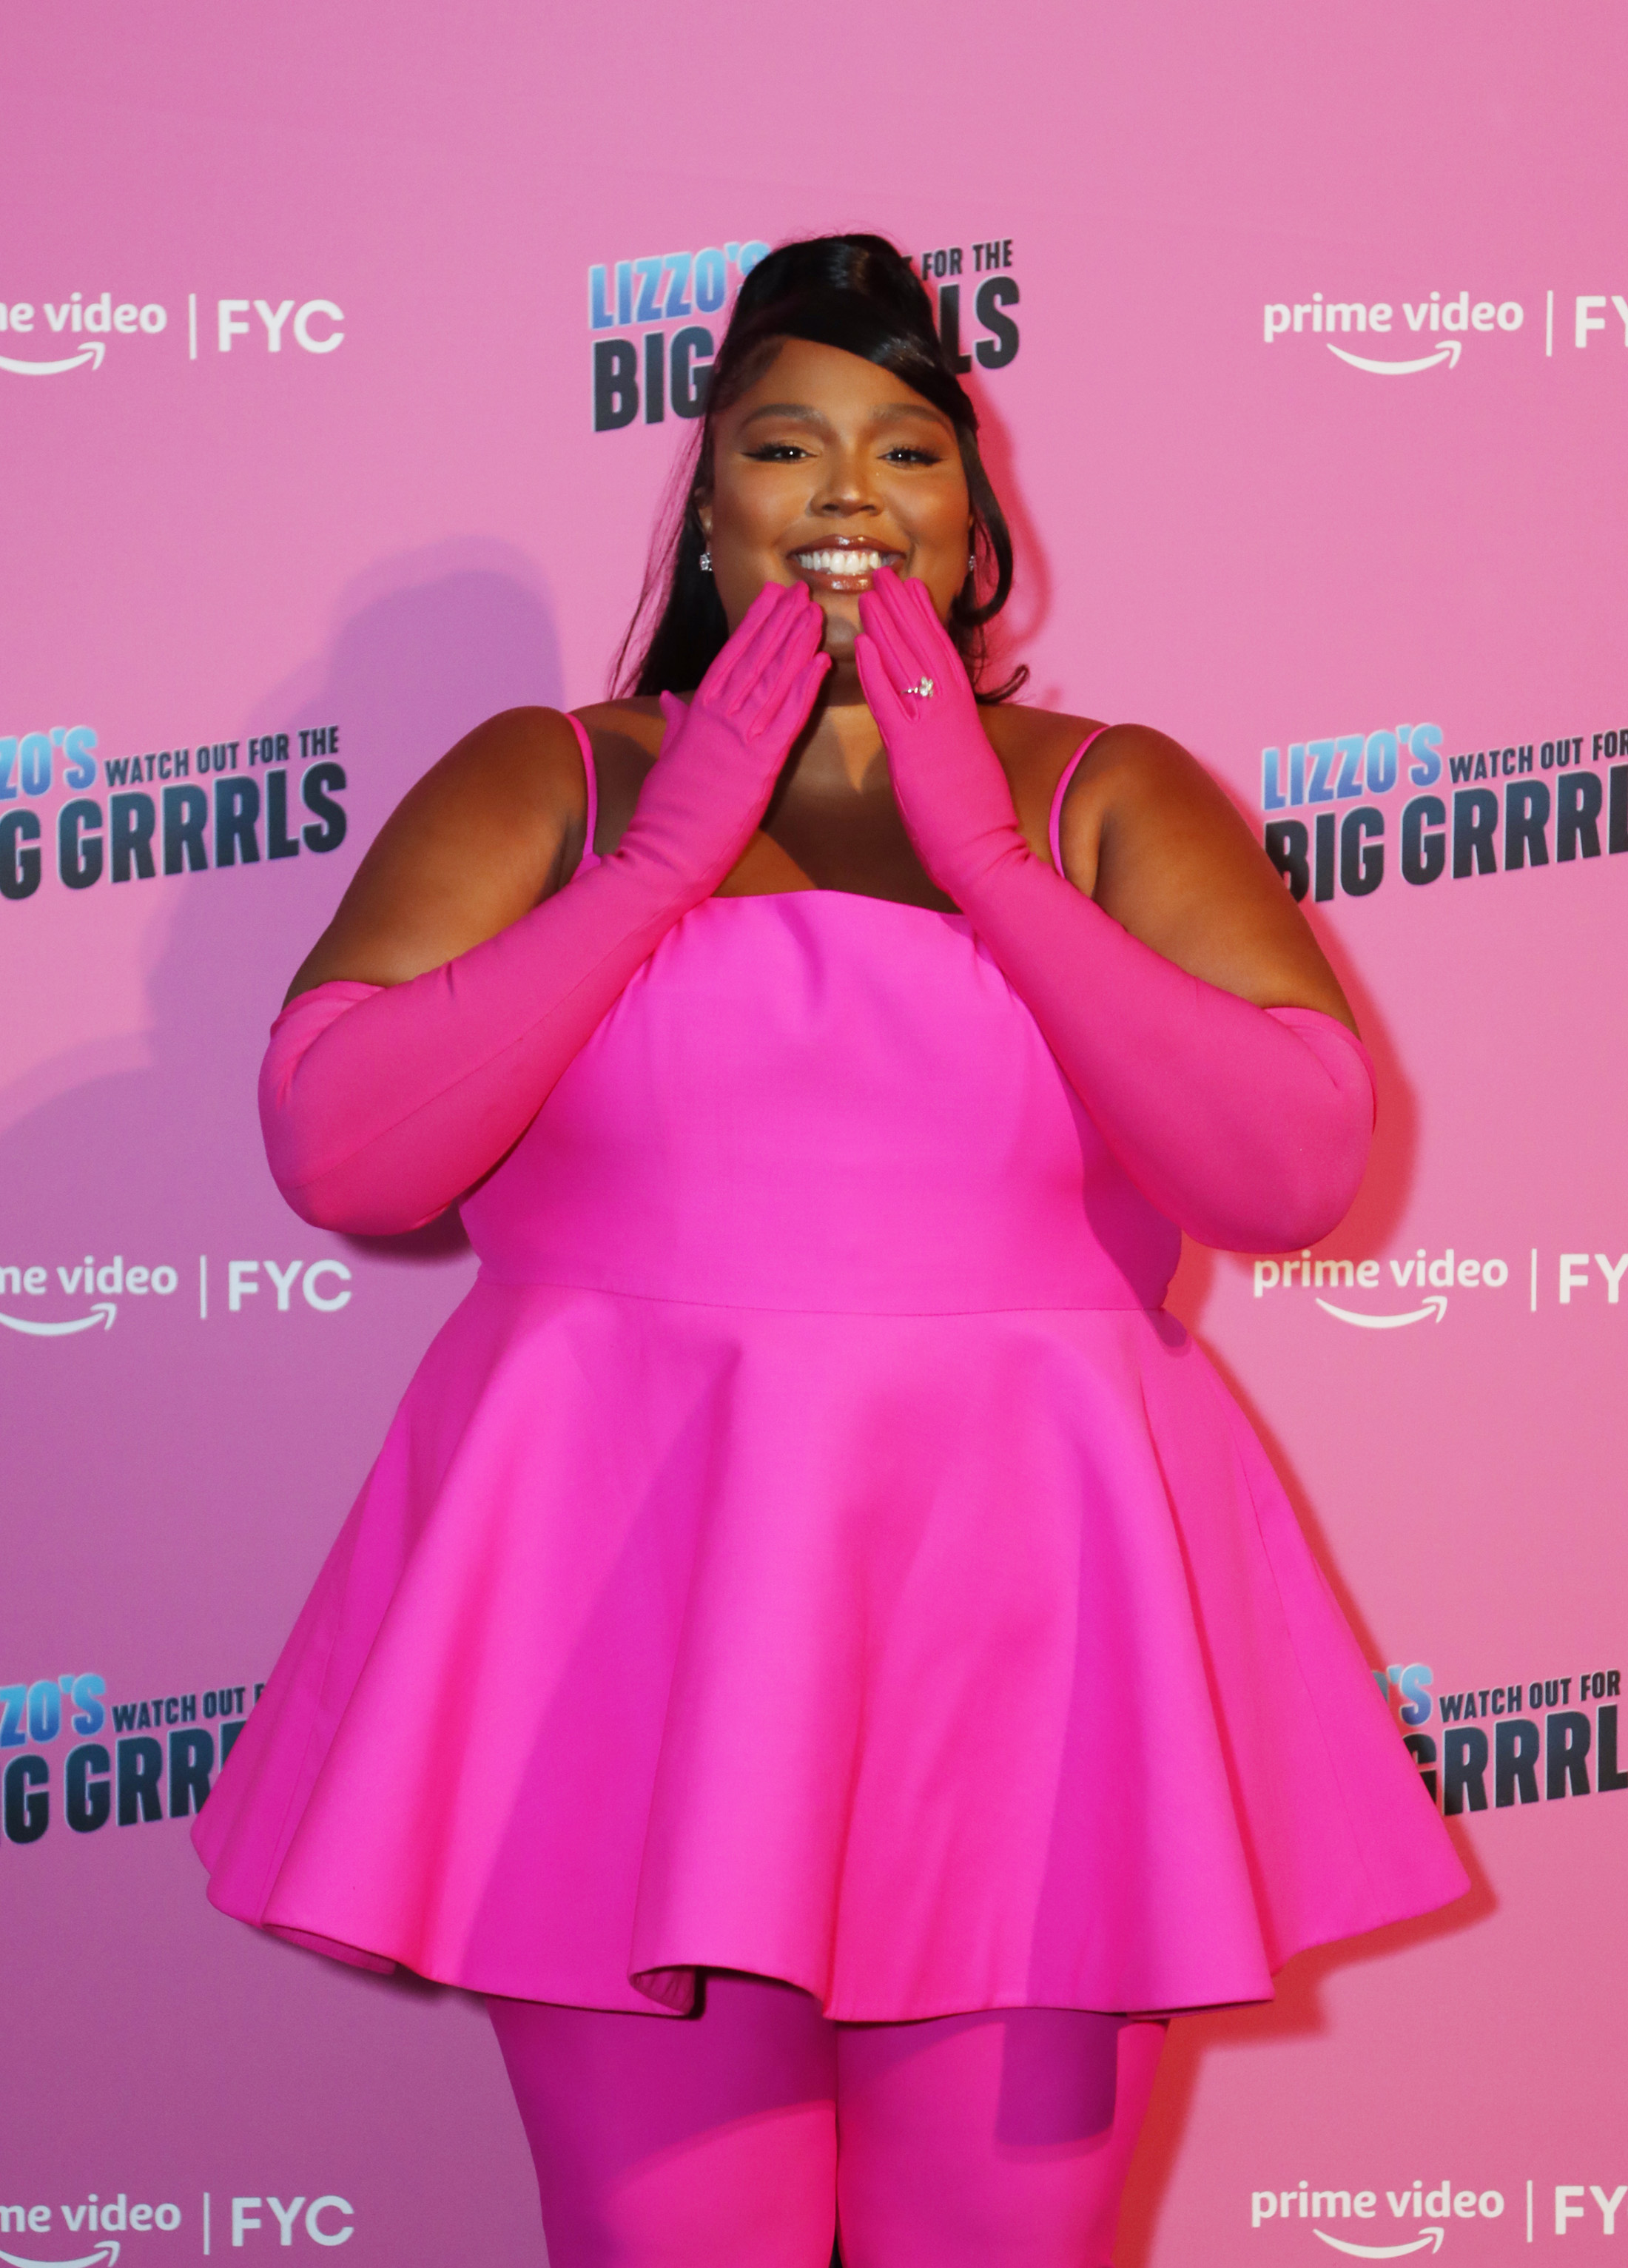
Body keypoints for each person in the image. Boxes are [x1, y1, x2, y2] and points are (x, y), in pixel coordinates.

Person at [194, 235, 1467, 2268]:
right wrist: (660, 859)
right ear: (706, 501)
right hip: (627, 1622)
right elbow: (346, 1150)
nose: (849, 491)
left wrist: (984, 856)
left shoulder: (1110, 793)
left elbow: (1290, 1162)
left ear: (979, 521)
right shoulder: (555, 776)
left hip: (1030, 1639)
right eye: (786, 444)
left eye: (905, 448)